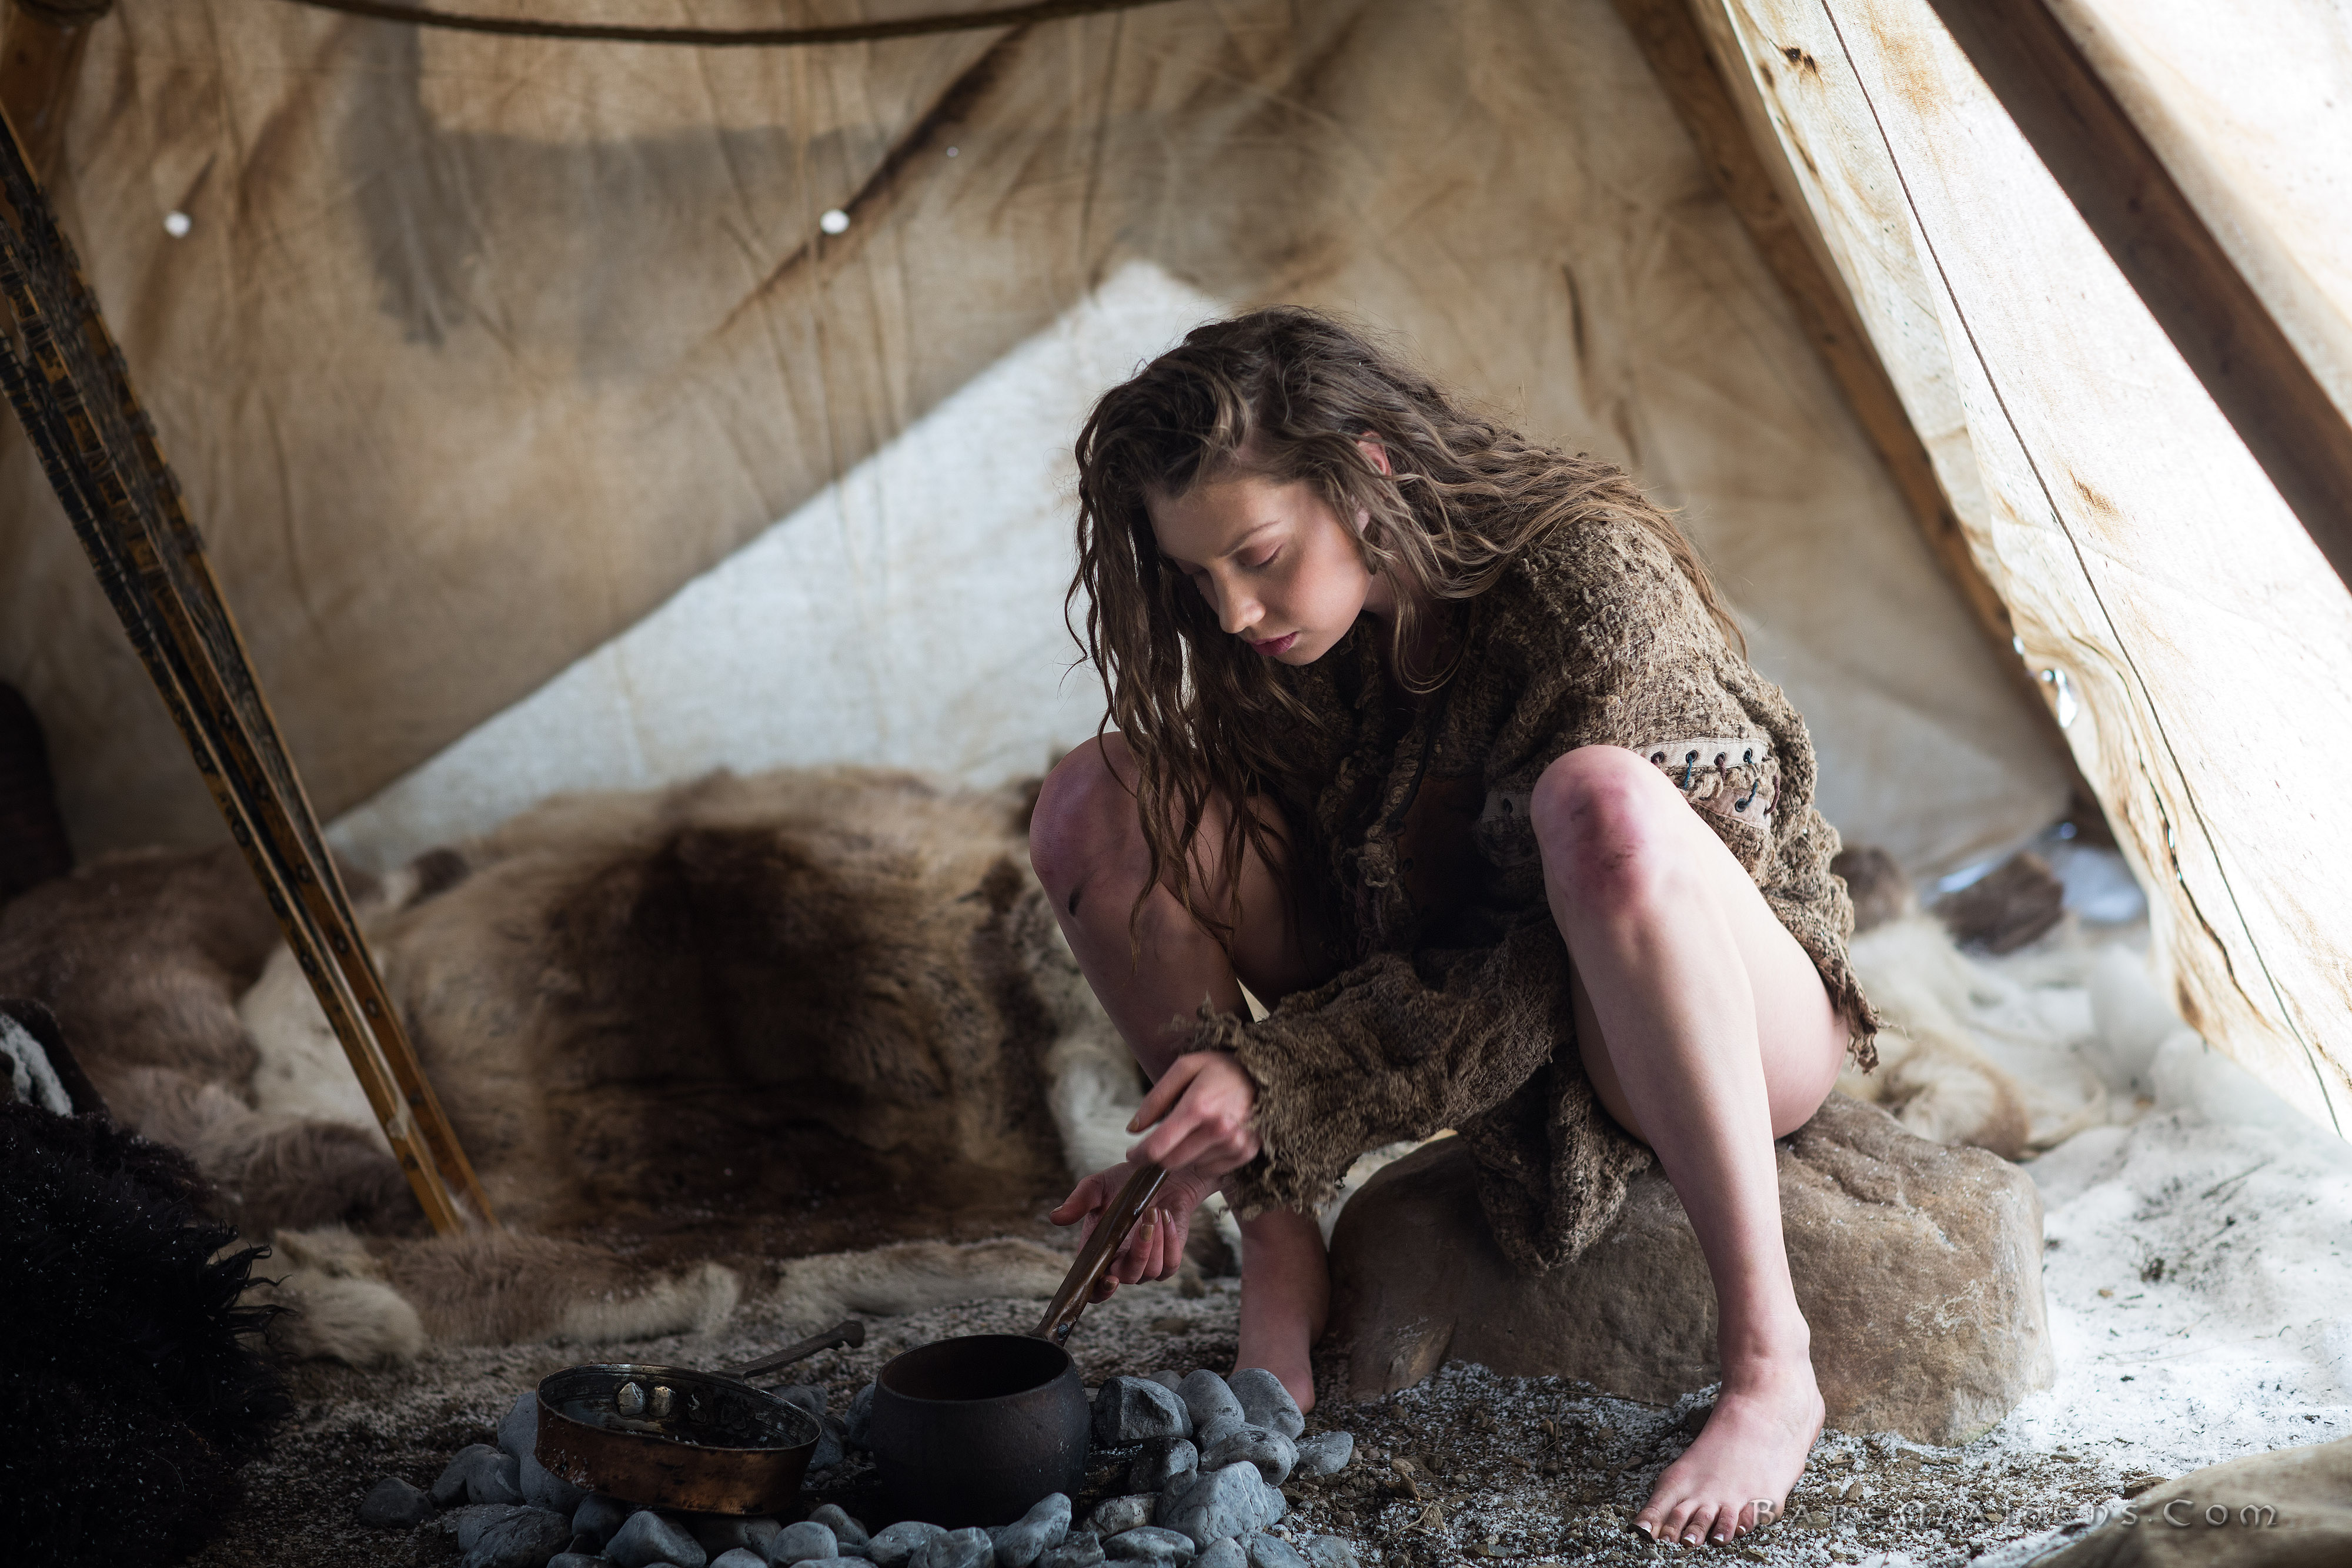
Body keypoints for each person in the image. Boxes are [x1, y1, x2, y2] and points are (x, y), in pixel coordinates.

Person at [1027, 307, 1876, 1549]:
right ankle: (1280, 1248)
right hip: (1434, 995)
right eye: (1201, 579)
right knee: (1097, 799)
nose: (1233, 612)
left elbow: (1573, 941)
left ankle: (1768, 1361)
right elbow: (1315, 904)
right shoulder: (1282, 640)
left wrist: (1285, 1084)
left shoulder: (1585, 576)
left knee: (1604, 806)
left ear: (1365, 469)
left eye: (1258, 555)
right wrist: (1209, 1132)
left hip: (1704, 1014)